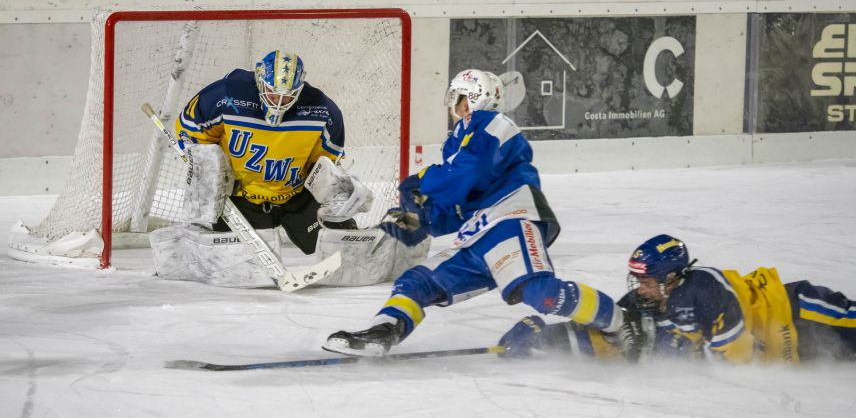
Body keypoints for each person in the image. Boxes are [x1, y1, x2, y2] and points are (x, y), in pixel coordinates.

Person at [323, 69, 642, 356]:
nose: (453, 107)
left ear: (470, 101)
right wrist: (412, 221)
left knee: (539, 293)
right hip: (477, 233)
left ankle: (621, 322)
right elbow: (455, 208)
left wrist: (420, 182)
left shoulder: (493, 124)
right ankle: (383, 332)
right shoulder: (459, 143)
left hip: (510, 219)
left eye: (457, 99)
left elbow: (468, 174)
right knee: (418, 281)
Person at [149, 49, 428, 288]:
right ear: (260, 79)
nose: (278, 102)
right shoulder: (223, 96)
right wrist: (203, 165)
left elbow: (325, 166)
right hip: (241, 200)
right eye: (272, 93)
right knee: (231, 264)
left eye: (287, 96)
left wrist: (339, 188)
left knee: (345, 251)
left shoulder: (322, 111)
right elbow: (190, 130)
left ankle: (396, 239)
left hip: (295, 198)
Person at [499, 234, 856, 363]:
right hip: (797, 353)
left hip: (797, 311)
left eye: (648, 281)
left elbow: (739, 358)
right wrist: (542, 338)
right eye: (637, 280)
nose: (640, 289)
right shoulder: (643, 302)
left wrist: (673, 348)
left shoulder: (704, 289)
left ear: (672, 278)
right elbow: (604, 336)